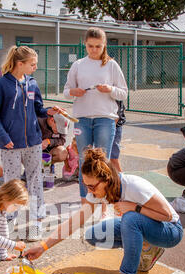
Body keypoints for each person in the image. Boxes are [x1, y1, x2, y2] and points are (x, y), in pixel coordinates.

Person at [25, 148, 183, 274]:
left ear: (107, 178)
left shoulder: (134, 186)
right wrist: (43, 247)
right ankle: (149, 248)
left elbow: (168, 216)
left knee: (130, 219)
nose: (90, 191)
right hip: (145, 224)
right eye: (86, 186)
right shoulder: (100, 190)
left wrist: (135, 208)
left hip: (170, 231)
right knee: (93, 235)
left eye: (92, 187)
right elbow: (74, 222)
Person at [0, 45, 62, 241]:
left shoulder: (32, 83)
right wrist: (4, 137)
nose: (35, 67)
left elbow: (37, 109)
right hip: (11, 145)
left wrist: (48, 111)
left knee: (36, 181)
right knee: (12, 184)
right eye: (32, 64)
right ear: (20, 64)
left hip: (34, 143)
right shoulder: (1, 85)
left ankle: (37, 222)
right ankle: (9, 221)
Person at [63, 27, 128, 208]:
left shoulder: (112, 65)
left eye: (98, 46)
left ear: (104, 45)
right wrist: (74, 92)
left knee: (102, 161)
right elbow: (66, 91)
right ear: (85, 44)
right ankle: (86, 202)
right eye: (90, 46)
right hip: (82, 118)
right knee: (84, 161)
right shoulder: (78, 65)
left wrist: (110, 90)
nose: (94, 50)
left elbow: (124, 93)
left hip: (105, 118)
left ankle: (104, 201)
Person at [111, 100, 126, 173]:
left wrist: (112, 127)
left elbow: (118, 114)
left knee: (113, 157)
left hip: (114, 126)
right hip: (111, 126)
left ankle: (121, 179)